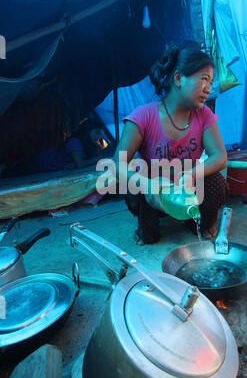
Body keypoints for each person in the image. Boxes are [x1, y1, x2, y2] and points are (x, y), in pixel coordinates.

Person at [113, 42, 228, 244]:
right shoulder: (143, 116)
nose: (208, 88)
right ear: (178, 79)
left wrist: (191, 174)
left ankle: (199, 221)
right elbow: (117, 163)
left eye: (210, 81)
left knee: (216, 182)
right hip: (155, 193)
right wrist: (148, 185)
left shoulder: (204, 115)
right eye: (203, 79)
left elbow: (220, 156)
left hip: (188, 189)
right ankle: (148, 226)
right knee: (132, 182)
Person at [0, 117, 107, 178]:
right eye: (97, 132)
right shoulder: (75, 142)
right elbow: (80, 165)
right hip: (42, 162)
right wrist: (98, 160)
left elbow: (79, 163)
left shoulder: (87, 145)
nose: (99, 136)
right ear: (87, 131)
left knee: (16, 171)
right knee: (12, 173)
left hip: (46, 165)